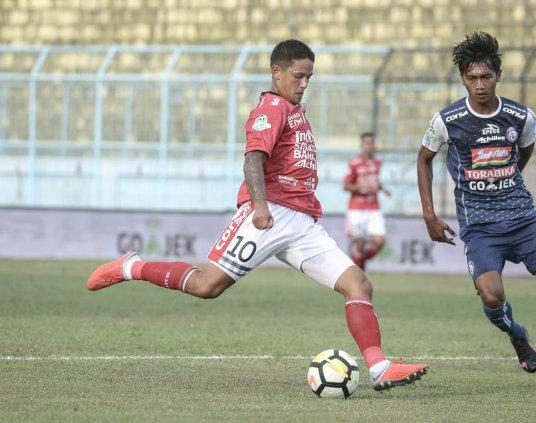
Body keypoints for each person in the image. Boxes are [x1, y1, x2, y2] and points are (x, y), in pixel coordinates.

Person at [87, 39, 428, 391]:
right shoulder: (272, 107)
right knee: (208, 286)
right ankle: (132, 266)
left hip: (302, 222)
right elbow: (253, 159)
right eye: (298, 76)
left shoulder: (296, 111)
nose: (304, 83)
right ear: (276, 73)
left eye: (309, 77)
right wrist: (261, 207)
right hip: (270, 213)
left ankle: (379, 367)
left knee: (359, 284)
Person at [416, 32, 536, 389]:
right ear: (462, 78)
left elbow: (524, 152)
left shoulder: (521, 116)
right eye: (472, 77)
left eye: (486, 76)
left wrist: (509, 179)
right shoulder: (447, 120)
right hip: (479, 226)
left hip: (523, 219)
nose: (479, 85)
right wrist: (429, 215)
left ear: (499, 74)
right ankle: (517, 333)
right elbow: (424, 158)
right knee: (492, 298)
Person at [343, 132, 391, 270]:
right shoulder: (354, 163)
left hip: (374, 208)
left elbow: (374, 181)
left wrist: (382, 188)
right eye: (367, 143)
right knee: (360, 243)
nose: (369, 146)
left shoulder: (378, 162)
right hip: (357, 208)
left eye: (372, 143)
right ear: (361, 145)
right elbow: (346, 186)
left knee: (379, 241)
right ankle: (359, 271)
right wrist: (359, 187)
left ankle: (359, 260)